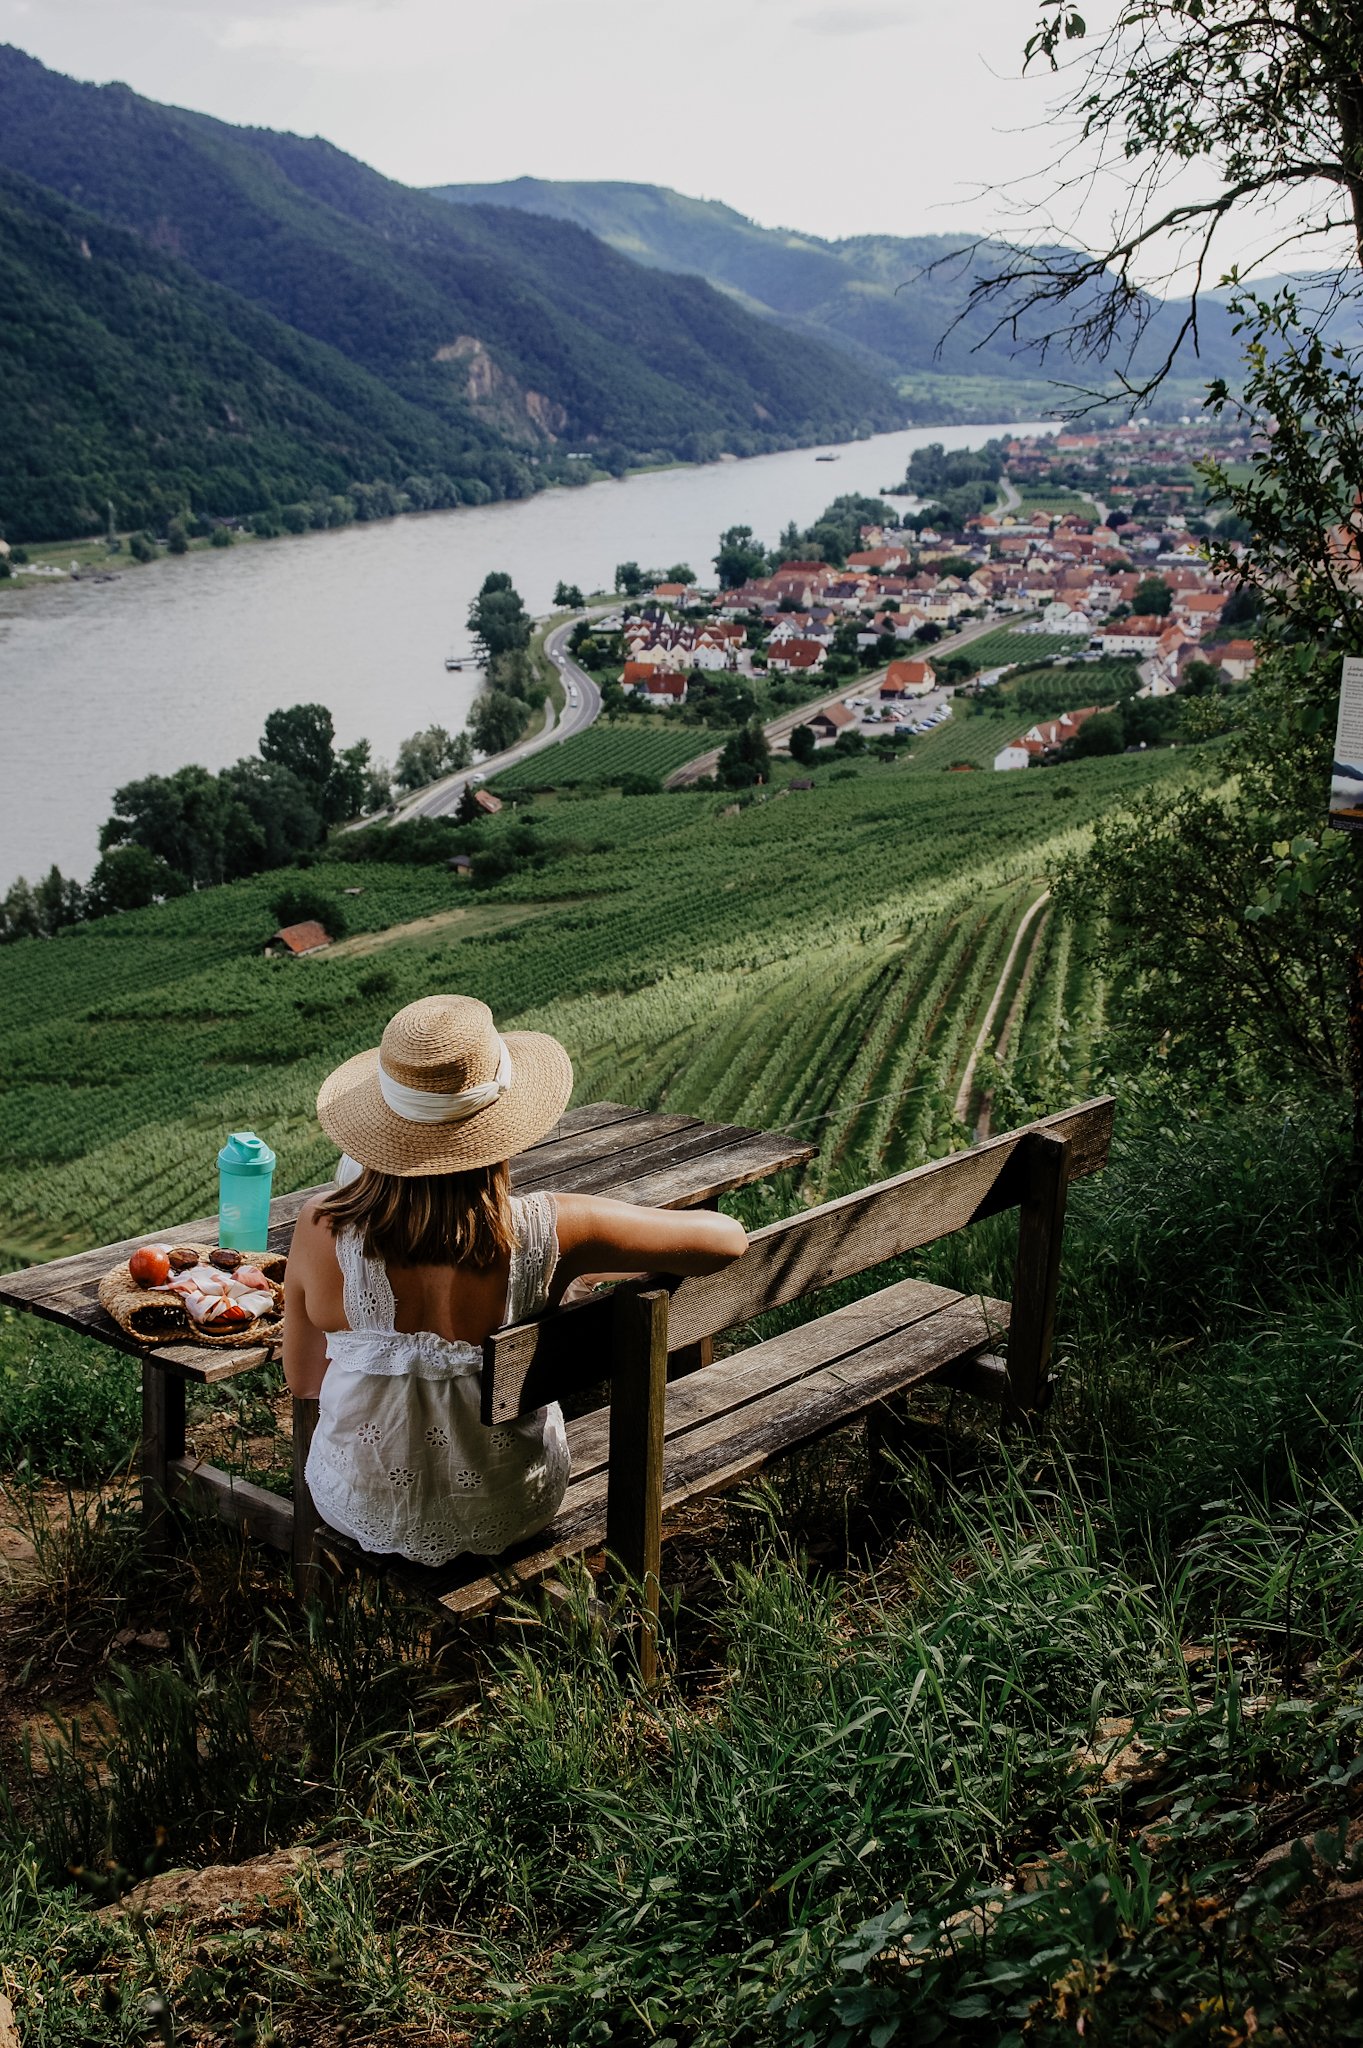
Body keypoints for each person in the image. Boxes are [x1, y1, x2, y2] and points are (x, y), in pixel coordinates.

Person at [283, 994, 746, 1568]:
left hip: (358, 1502)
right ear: (501, 1124)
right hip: (512, 1502)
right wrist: (584, 1255)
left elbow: (304, 1379)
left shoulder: (321, 1225)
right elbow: (727, 1238)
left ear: (382, 1123)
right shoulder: (556, 1228)